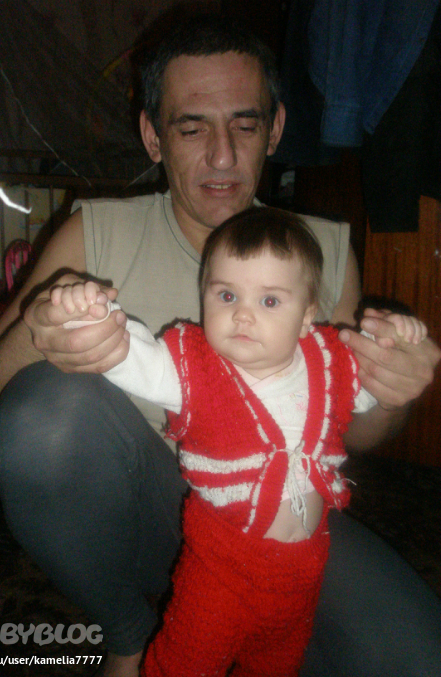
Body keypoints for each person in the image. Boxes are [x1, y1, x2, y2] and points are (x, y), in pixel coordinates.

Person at [0, 15, 441, 677]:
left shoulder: (321, 249)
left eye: (244, 125)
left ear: (275, 129)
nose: (222, 156)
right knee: (48, 411)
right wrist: (36, 334)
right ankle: (127, 630)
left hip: (280, 529)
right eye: (191, 128)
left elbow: (353, 430)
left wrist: (391, 391)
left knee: (418, 656)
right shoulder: (94, 233)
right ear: (153, 137)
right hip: (138, 512)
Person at [49, 207, 426, 676]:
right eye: (226, 295)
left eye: (270, 301)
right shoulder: (191, 367)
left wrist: (395, 341)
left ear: (307, 316)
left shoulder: (331, 361)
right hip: (221, 568)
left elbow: (376, 385)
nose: (243, 314)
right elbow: (129, 354)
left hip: (303, 570)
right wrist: (91, 315)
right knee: (183, 663)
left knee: (276, 665)